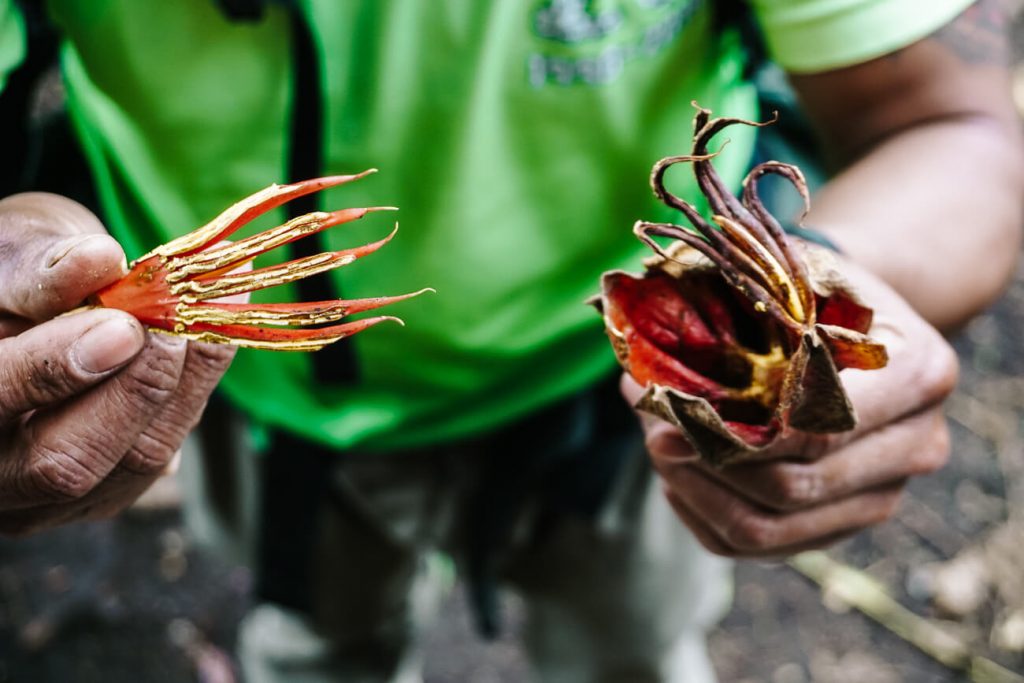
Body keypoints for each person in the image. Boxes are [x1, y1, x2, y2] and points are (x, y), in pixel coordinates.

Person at [0, 0, 1020, 681]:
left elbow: (946, 121)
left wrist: (834, 280)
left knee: (630, 645)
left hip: (622, 411)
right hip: (277, 399)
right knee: (319, 638)